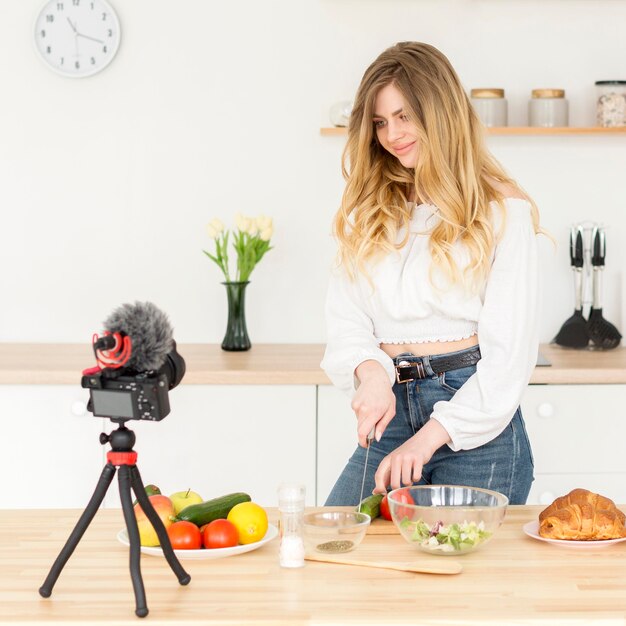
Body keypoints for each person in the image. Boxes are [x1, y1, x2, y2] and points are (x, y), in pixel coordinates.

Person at [320, 42, 546, 506]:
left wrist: (427, 440)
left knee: (462, 573)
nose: (391, 135)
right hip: (392, 408)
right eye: (380, 122)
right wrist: (373, 376)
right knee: (336, 549)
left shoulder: (504, 211)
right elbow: (346, 322)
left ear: (440, 112)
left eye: (404, 116)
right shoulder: (371, 211)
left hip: (475, 422)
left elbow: (508, 361)